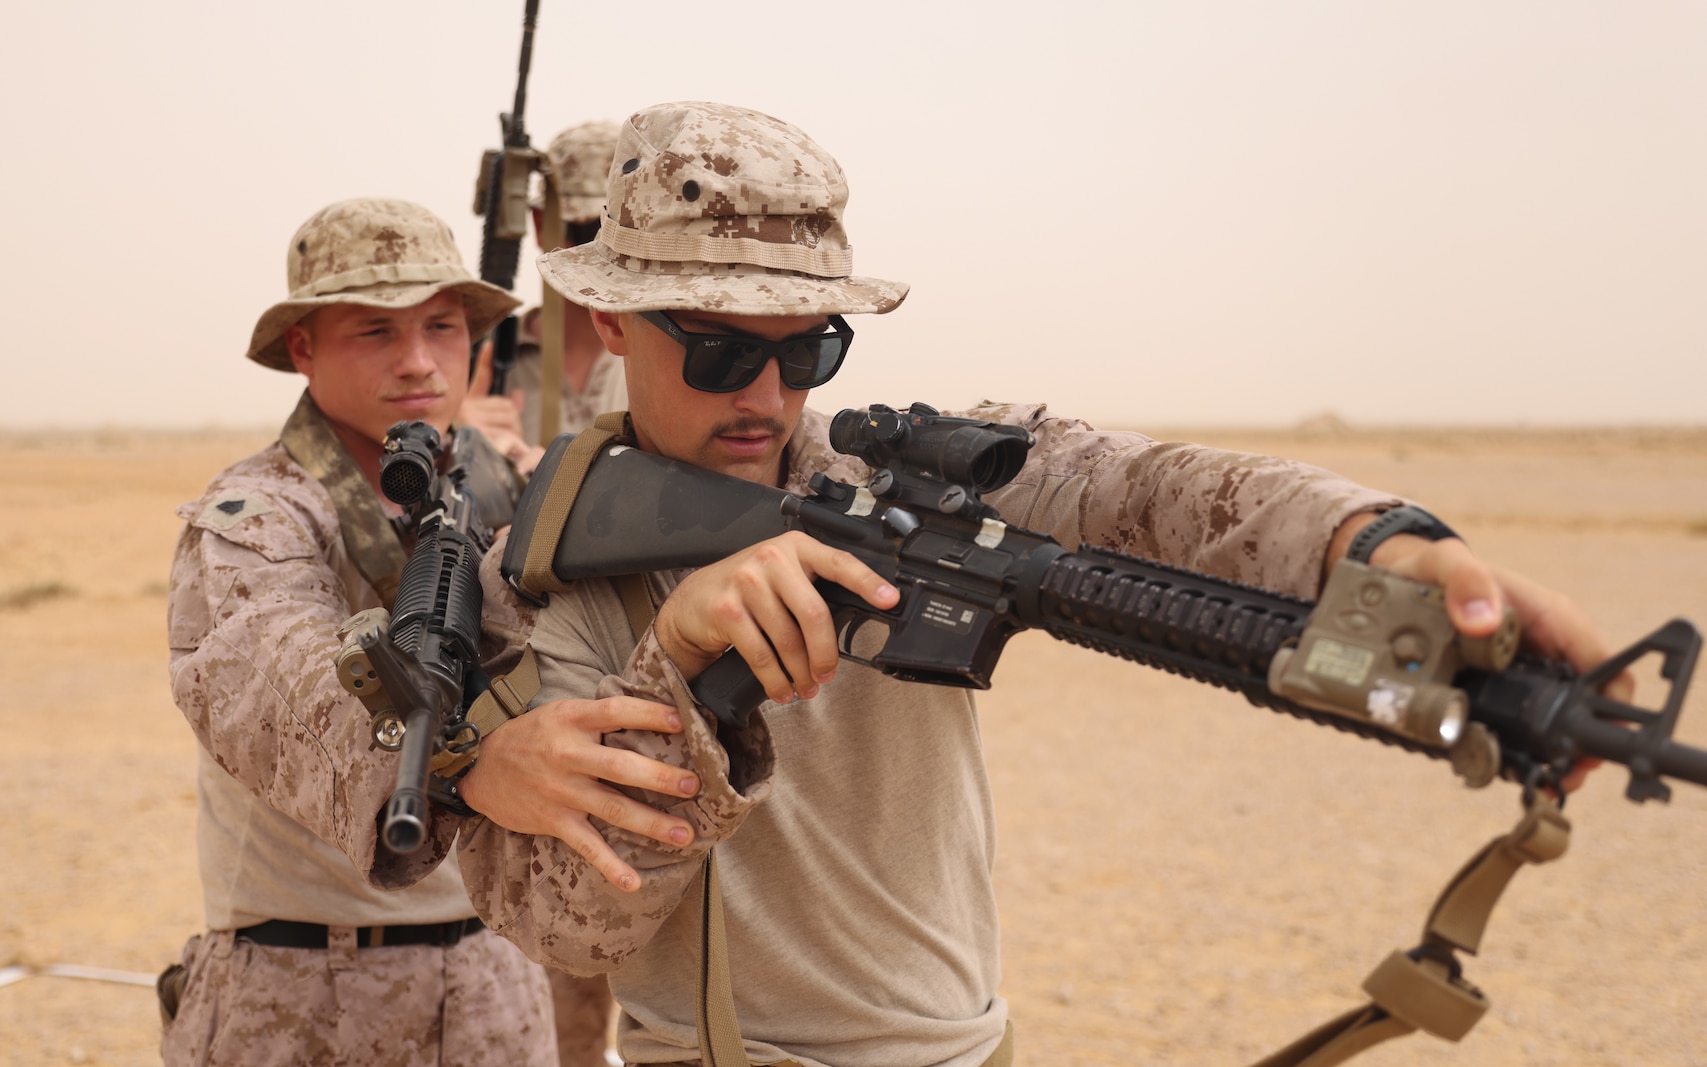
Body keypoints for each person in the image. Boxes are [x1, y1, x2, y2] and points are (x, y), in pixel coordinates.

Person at [391, 103, 1623, 1067]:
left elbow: (1160, 492)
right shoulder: (537, 573)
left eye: (806, 346)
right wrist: (683, 667)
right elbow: (558, 923)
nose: (765, 395)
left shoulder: (916, 471)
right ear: (614, 327)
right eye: (713, 348)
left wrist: (1388, 546)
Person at [162, 198, 688, 1066]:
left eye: (442, 326)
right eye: (374, 332)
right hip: (303, 984)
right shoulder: (256, 514)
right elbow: (271, 678)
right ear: (303, 347)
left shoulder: (505, 489)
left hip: (495, 975)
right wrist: (467, 759)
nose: (416, 361)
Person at [461, 120, 629, 473]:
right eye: (590, 231)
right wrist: (455, 439)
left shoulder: (673, 357)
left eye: (622, 234)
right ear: (540, 225)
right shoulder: (479, 361)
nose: (604, 254)